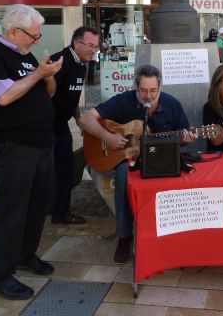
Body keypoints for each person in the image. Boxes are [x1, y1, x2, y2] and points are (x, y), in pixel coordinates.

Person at [0, 4, 63, 300]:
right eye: (33, 36)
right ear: (13, 31)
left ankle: (25, 254)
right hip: (11, 145)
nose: (36, 41)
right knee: (11, 211)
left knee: (38, 205)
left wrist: (47, 75)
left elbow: (46, 93)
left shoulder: (26, 56)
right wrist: (38, 74)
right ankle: (1, 275)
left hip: (41, 143)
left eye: (38, 36)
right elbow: (5, 96)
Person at [80, 64, 196, 264]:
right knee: (124, 176)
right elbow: (86, 119)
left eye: (153, 91)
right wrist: (108, 137)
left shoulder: (172, 104)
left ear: (160, 87)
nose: (148, 96)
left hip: (161, 157)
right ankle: (125, 236)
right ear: (136, 87)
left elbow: (184, 135)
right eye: (143, 91)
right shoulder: (123, 101)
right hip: (129, 159)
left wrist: (187, 138)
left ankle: (168, 233)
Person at [50, 26, 100, 225]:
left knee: (65, 170)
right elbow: (47, 94)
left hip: (61, 127)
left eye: (96, 47)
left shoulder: (82, 64)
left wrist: (79, 120)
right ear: (76, 43)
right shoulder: (59, 62)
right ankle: (44, 208)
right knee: (45, 172)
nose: (93, 50)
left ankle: (60, 212)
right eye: (90, 45)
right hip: (45, 128)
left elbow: (72, 96)